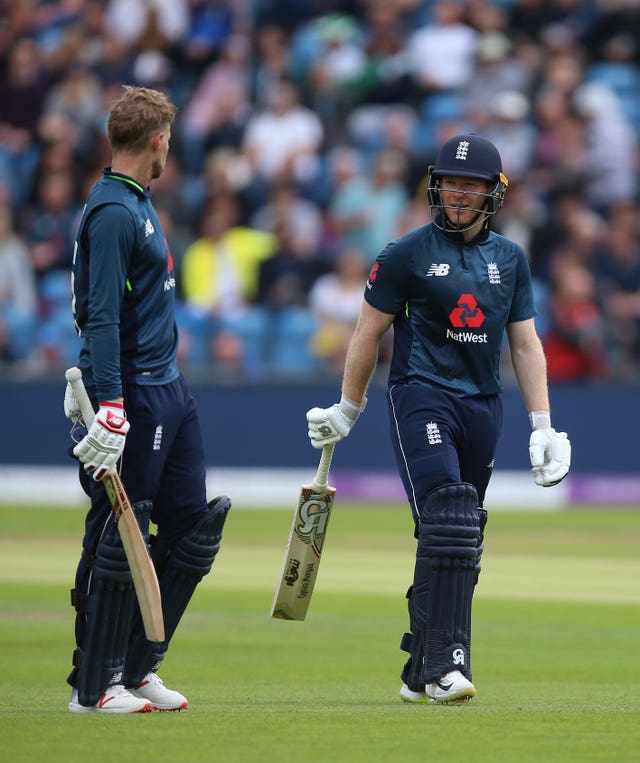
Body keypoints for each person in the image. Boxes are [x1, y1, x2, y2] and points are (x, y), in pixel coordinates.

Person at [305, 134, 571, 704]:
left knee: (458, 533)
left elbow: (524, 346)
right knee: (448, 515)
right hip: (421, 393)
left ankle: (418, 666)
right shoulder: (404, 253)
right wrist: (348, 408)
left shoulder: (511, 260)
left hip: (483, 403)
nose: (457, 193)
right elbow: (367, 333)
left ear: (493, 194)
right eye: (449, 182)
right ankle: (447, 665)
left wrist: (543, 424)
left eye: (469, 185)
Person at [63, 86, 231, 714]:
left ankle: (138, 667)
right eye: (170, 140)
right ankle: (93, 683)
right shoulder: (111, 211)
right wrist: (108, 403)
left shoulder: (136, 202)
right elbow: (99, 317)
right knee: (116, 534)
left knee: (191, 528)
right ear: (159, 139)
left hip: (169, 387)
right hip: (132, 390)